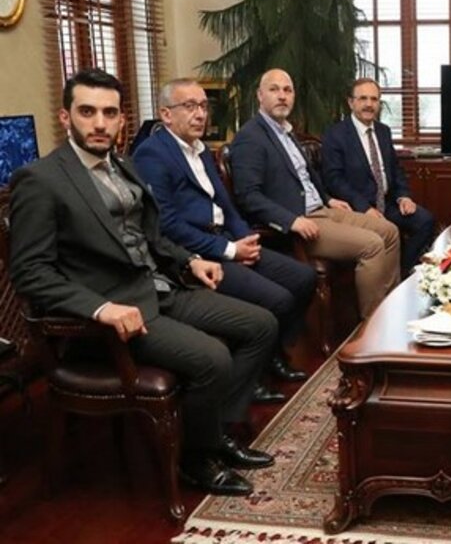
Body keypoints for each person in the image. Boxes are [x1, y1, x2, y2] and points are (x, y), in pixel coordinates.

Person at [8, 68, 278, 497]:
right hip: (113, 313)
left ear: (122, 120)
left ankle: (216, 432)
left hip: (161, 287)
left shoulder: (123, 165)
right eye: (87, 112)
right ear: (65, 117)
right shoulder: (41, 180)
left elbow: (152, 237)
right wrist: (101, 308)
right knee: (213, 358)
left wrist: (191, 261)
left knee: (261, 325)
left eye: (109, 113)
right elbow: (30, 273)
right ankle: (196, 461)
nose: (99, 123)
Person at [134, 78, 316, 398]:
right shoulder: (152, 154)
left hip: (230, 241)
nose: (200, 114)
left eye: (204, 106)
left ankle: (273, 355)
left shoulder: (202, 150)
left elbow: (226, 205)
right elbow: (167, 224)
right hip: (198, 255)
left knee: (303, 277)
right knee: (277, 299)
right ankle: (251, 381)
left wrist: (246, 239)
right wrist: (229, 250)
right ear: (166, 114)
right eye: (189, 106)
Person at [230, 68, 400, 319]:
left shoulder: (286, 132)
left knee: (389, 231)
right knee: (373, 245)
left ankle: (391, 308)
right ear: (260, 95)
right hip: (299, 221)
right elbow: (248, 197)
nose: (282, 96)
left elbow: (306, 177)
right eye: (274, 90)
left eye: (287, 90)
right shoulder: (250, 137)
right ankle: (373, 324)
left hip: (322, 209)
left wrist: (329, 199)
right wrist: (292, 221)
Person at [321, 78, 436, 274]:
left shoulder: (383, 131)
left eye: (374, 99)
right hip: (357, 209)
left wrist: (404, 196)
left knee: (425, 220)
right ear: (351, 102)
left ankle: (402, 273)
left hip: (387, 203)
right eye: (363, 98)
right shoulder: (336, 135)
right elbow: (334, 180)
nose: (369, 104)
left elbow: (395, 169)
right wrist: (364, 208)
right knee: (385, 233)